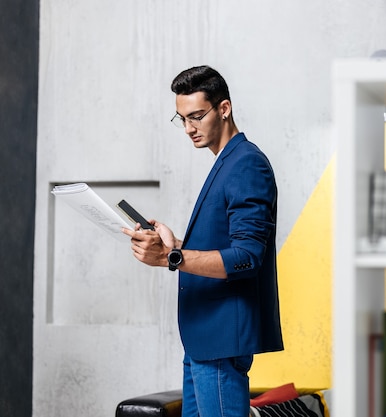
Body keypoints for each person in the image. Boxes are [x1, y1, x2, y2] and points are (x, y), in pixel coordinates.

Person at [123, 65, 284, 417]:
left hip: (221, 340)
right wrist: (174, 243)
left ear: (223, 108)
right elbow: (223, 244)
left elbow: (246, 256)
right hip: (202, 340)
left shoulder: (246, 164)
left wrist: (171, 257)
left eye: (196, 116)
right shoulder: (226, 163)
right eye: (181, 119)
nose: (188, 128)